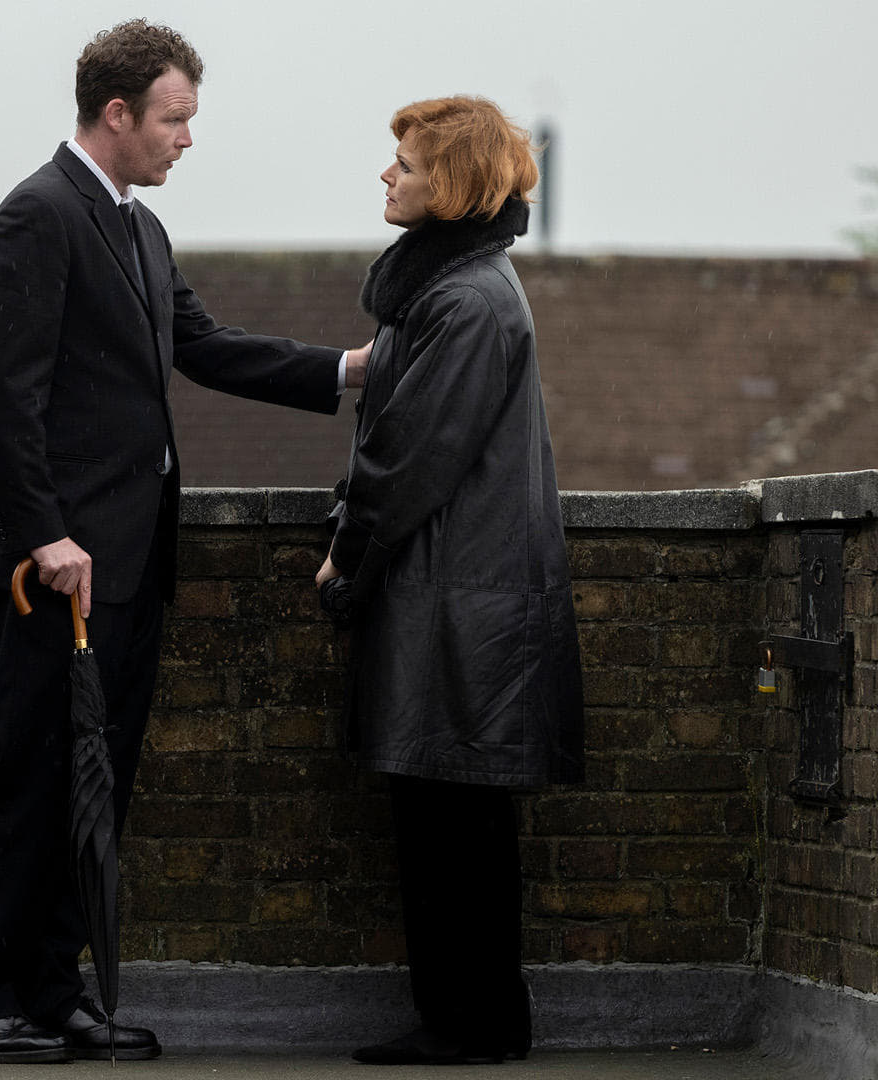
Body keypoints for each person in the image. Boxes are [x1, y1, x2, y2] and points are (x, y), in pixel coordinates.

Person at [0, 18, 371, 1065]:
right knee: (34, 781)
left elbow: (204, 346)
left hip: (129, 565)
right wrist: (45, 535)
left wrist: (347, 371)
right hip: (57, 573)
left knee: (99, 786)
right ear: (117, 112)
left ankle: (53, 993)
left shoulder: (139, 227)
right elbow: (4, 397)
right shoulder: (38, 214)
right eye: (175, 119)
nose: (188, 139)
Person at [316, 95, 585, 1066]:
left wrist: (346, 553)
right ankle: (469, 1019)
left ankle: (473, 1023)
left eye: (408, 164)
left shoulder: (465, 301)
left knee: (456, 819)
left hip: (461, 601)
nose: (388, 175)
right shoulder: (445, 288)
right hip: (452, 592)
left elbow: (409, 456)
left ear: (454, 184)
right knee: (447, 816)